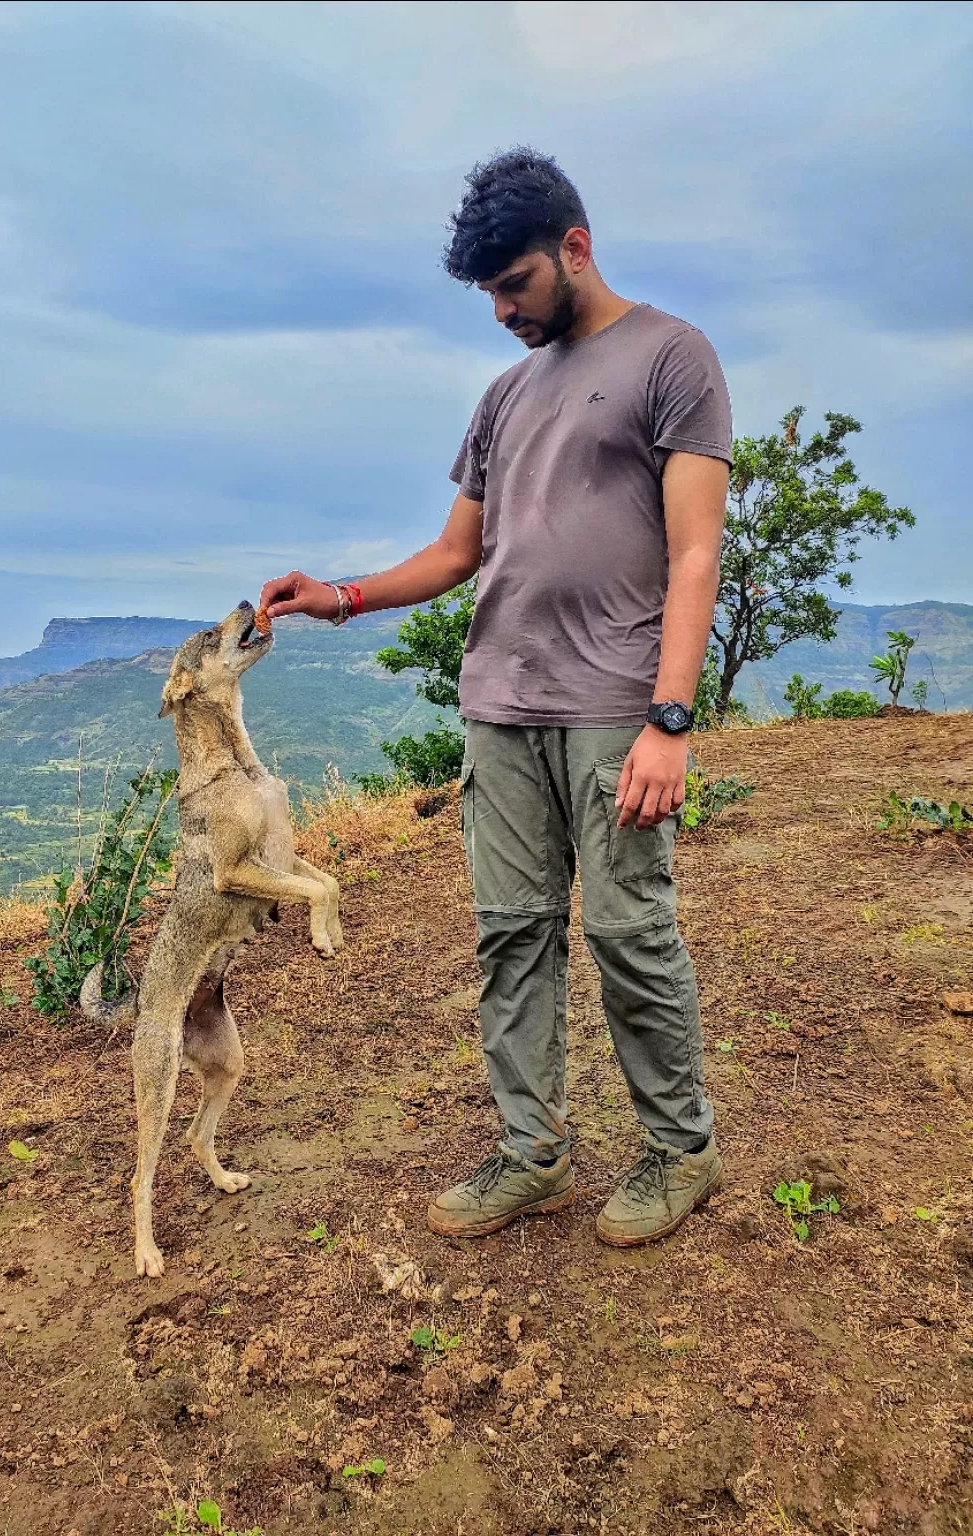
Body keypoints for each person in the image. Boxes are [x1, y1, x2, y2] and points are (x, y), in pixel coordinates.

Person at [259, 148, 732, 1248]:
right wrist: (340, 596)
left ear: (574, 248)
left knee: (628, 932)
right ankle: (535, 1153)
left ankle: (680, 1148)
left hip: (616, 702)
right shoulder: (505, 395)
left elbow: (697, 550)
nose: (503, 313)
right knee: (511, 936)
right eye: (489, 296)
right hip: (502, 704)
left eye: (515, 285)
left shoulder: (675, 356)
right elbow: (457, 551)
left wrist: (670, 720)